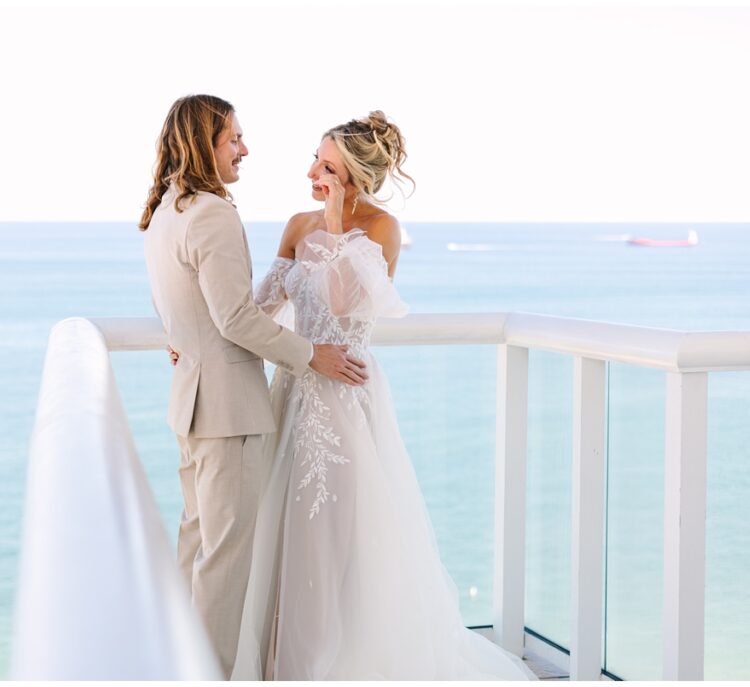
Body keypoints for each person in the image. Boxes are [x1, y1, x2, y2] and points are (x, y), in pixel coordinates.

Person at [229, 111, 538, 680]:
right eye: (315, 161)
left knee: (330, 541)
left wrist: (334, 215)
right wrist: (194, 336)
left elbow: (344, 304)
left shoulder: (381, 229)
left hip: (345, 403)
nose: (311, 173)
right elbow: (259, 309)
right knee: (281, 536)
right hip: (292, 394)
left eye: (326, 167)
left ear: (354, 176)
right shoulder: (296, 226)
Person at [139, 94, 369, 678]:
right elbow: (237, 318)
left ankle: (181, 666)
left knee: (197, 549)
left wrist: (182, 337)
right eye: (233, 139)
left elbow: (187, 301)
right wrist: (309, 354)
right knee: (224, 565)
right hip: (229, 411)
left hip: (191, 406)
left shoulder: (168, 207)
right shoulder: (212, 212)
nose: (245, 149)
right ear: (203, 145)